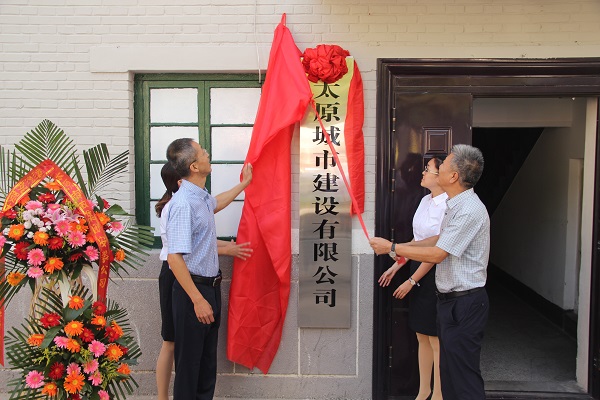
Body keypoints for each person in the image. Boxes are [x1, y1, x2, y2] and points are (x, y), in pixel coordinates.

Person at [370, 144, 489, 400]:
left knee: (463, 379)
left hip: (464, 303)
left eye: (442, 165)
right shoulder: (455, 205)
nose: (436, 168)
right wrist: (401, 249)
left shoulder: (468, 210)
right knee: (450, 374)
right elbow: (437, 239)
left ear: (453, 176)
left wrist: (392, 247)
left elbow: (438, 253)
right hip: (450, 301)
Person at [154, 162, 252, 400]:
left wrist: (244, 184)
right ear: (182, 180)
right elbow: (181, 254)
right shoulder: (179, 206)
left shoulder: (197, 201)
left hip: (194, 278)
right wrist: (197, 298)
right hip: (178, 275)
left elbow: (213, 212)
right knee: (173, 343)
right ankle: (162, 396)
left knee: (202, 357)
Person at [379, 157, 447, 400]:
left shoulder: (448, 206)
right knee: (421, 334)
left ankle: (438, 394)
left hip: (435, 271)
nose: (423, 173)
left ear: (441, 176)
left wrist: (412, 281)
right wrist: (397, 266)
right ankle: (423, 391)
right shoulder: (424, 200)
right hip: (417, 266)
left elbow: (436, 250)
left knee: (435, 338)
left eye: (428, 170)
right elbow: (417, 242)